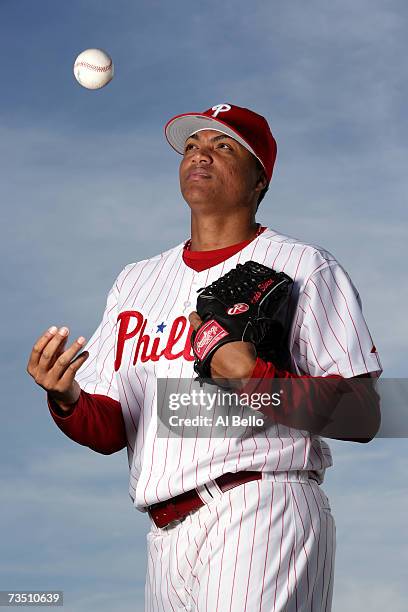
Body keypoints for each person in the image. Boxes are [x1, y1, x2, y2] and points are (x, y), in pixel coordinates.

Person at [27, 103, 382, 611]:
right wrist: (66, 399)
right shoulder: (137, 281)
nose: (200, 154)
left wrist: (257, 379)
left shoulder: (306, 265)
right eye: (192, 146)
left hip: (262, 505)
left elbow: (366, 413)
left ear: (260, 177)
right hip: (165, 534)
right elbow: (112, 429)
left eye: (222, 146)